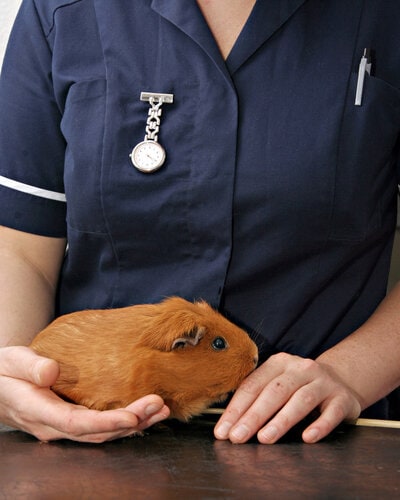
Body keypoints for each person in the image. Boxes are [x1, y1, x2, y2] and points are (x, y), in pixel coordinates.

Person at [0, 0, 399, 444]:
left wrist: (349, 372)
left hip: (315, 439)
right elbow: (19, 247)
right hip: (83, 435)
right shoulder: (60, 11)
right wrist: (18, 374)